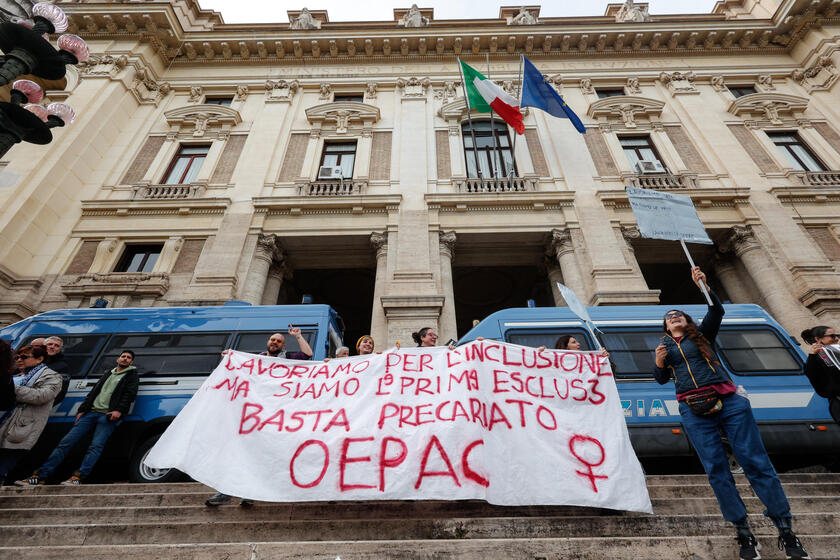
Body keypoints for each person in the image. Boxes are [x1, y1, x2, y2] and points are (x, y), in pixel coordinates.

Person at [653, 267, 809, 560]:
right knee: (716, 470)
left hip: (729, 402)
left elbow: (716, 311)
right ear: (665, 325)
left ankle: (786, 531)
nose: (674, 316)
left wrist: (703, 286)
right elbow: (660, 379)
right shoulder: (663, 347)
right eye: (669, 316)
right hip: (692, 408)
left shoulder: (702, 336)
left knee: (756, 462)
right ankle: (743, 532)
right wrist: (659, 363)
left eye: (679, 314)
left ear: (688, 322)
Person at [207, 329, 312, 507]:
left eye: (279, 341)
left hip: (276, 415)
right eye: (272, 340)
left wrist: (298, 336)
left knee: (262, 454)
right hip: (253, 415)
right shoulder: (255, 359)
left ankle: (249, 493)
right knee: (241, 452)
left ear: (283, 345)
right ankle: (225, 491)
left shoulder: (289, 358)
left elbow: (308, 354)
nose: (275, 343)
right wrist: (231, 358)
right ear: (267, 342)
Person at [17, 350, 139, 486]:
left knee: (95, 447)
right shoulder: (108, 373)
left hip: (107, 417)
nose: (125, 359)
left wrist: (119, 411)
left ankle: (78, 477)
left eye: (128, 358)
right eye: (123, 356)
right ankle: (40, 476)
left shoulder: (132, 375)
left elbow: (129, 394)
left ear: (131, 362)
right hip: (90, 413)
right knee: (65, 443)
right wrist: (82, 410)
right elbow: (94, 392)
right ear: (118, 358)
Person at [0, 346, 62, 484]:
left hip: (23, 427)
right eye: (17, 357)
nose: (19, 360)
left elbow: (42, 396)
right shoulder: (16, 376)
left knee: (6, 462)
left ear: (40, 359)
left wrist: (11, 389)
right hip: (6, 423)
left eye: (24, 357)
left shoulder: (52, 376)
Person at [801, 326, 840, 424]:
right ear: (818, 339)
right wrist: (812, 355)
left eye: (837, 336)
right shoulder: (815, 358)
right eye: (832, 336)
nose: (836, 339)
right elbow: (812, 375)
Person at [44, 336, 71, 405]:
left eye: (56, 346)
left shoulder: (62, 366)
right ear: (43, 346)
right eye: (50, 344)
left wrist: (44, 407)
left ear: (60, 349)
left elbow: (61, 392)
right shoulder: (33, 360)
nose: (52, 347)